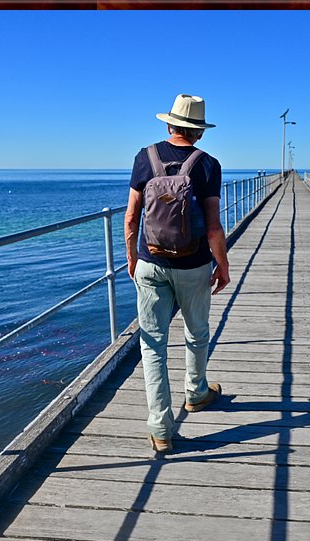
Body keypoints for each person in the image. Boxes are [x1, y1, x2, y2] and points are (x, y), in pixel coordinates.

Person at [124, 94, 230, 453]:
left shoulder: (145, 157)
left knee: (153, 346)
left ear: (169, 124)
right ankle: (196, 392)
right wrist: (223, 265)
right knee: (196, 332)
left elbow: (131, 217)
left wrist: (131, 258)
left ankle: (160, 429)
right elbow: (213, 226)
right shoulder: (208, 165)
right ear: (198, 132)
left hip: (150, 262)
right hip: (193, 263)